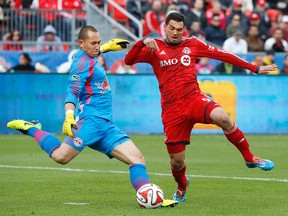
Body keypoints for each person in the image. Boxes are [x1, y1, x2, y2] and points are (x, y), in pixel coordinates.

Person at [7, 26, 177, 208]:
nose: (97, 46)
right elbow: (72, 92)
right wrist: (69, 116)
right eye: (93, 43)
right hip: (90, 122)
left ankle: (153, 199)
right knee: (60, 157)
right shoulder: (80, 65)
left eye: (99, 42)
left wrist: (107, 47)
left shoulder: (86, 55)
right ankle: (32, 128)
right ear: (81, 43)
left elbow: (89, 54)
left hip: (105, 124)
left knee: (137, 159)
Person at [124, 12, 276, 203]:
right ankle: (182, 185)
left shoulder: (193, 44)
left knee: (223, 117)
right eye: (172, 28)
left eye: (179, 30)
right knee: (176, 162)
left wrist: (254, 68)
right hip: (172, 111)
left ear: (183, 30)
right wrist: (142, 41)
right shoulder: (154, 47)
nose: (175, 33)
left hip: (194, 99)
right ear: (165, 27)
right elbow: (128, 61)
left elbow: (223, 54)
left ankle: (250, 157)